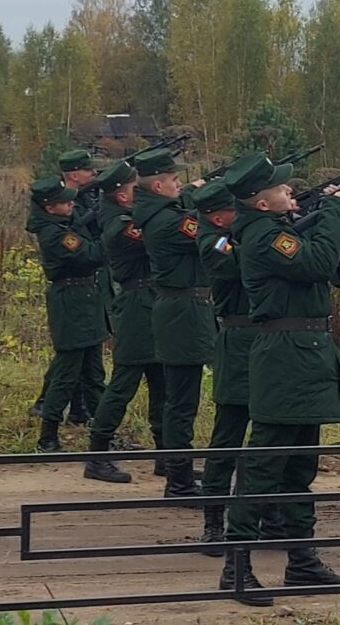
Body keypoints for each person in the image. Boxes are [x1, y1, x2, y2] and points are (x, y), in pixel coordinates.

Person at [217, 155, 340, 606]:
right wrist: (335, 207)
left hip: (305, 356)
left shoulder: (278, 227)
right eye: (281, 189)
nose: (290, 191)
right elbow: (317, 262)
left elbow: (335, 255)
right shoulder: (264, 236)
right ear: (261, 203)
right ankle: (236, 567)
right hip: (284, 359)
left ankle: (302, 561)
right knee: (263, 466)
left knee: (299, 467)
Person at [189, 180, 284, 555]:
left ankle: (270, 515)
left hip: (265, 339)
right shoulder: (214, 242)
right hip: (238, 340)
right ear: (219, 217)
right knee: (228, 434)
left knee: (270, 434)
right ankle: (214, 522)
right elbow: (240, 262)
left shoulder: (241, 234)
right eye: (235, 210)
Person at [131, 148, 211, 500]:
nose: (180, 185)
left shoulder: (162, 214)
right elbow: (210, 237)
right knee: (181, 402)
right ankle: (178, 482)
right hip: (182, 314)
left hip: (183, 310)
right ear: (158, 186)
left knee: (180, 399)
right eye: (175, 180)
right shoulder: (167, 221)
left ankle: (179, 468)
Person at [81, 160, 167, 483]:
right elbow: (153, 235)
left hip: (150, 304)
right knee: (122, 385)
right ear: (121, 196)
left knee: (163, 385)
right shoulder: (119, 225)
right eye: (135, 189)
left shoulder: (126, 217)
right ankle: (97, 455)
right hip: (136, 309)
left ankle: (167, 456)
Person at [25, 176, 111, 453]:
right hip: (71, 304)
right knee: (66, 374)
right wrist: (110, 229)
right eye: (65, 202)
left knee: (94, 374)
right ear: (50, 207)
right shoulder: (55, 234)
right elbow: (92, 254)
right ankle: (48, 436)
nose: (71, 204)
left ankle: (103, 432)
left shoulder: (63, 225)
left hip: (85, 301)